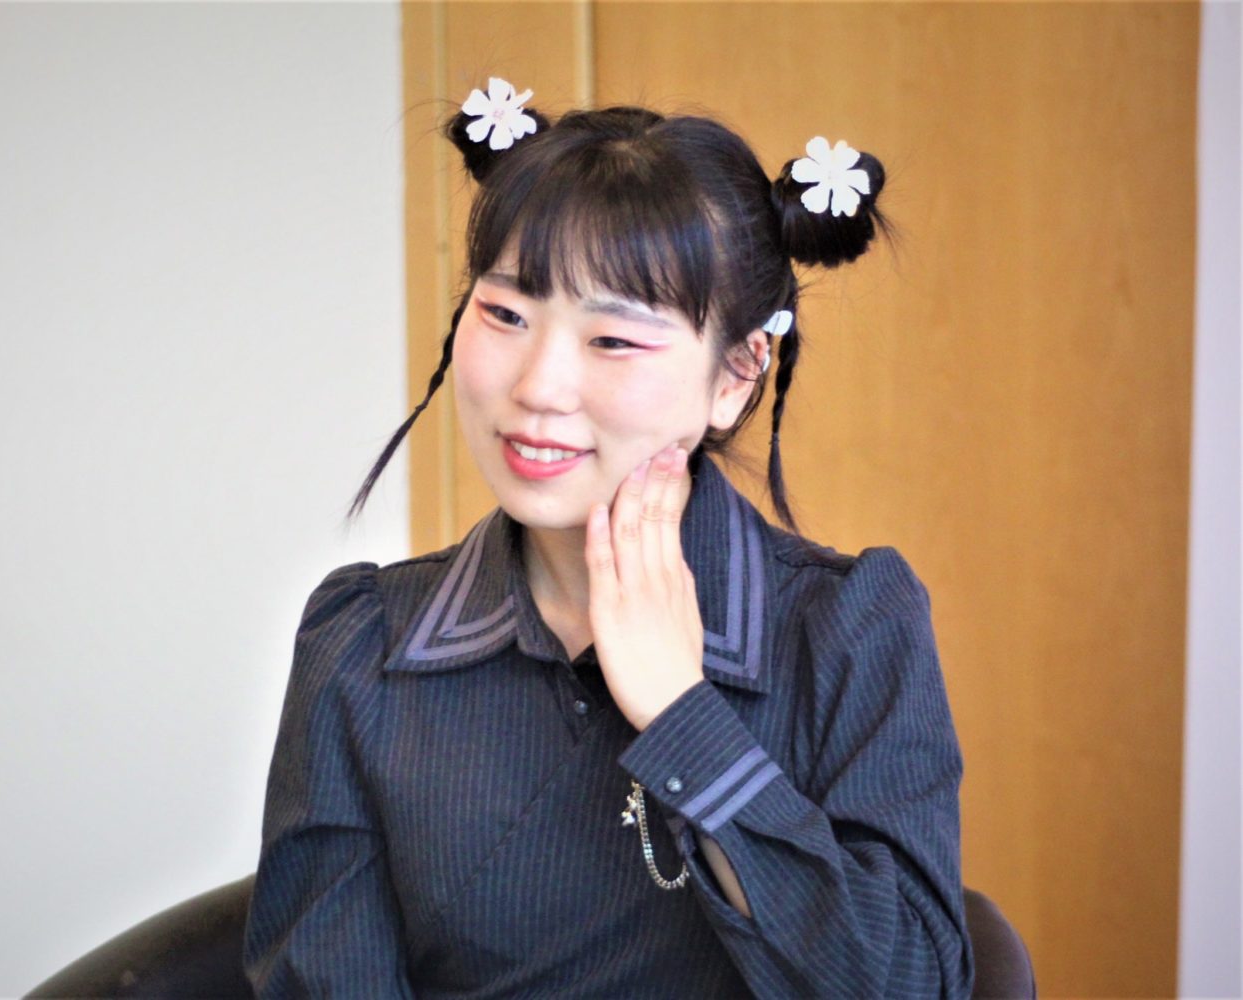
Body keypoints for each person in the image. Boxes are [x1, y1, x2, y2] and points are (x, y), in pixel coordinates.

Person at [242, 77, 976, 998]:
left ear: (736, 375)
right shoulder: (362, 645)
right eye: (505, 315)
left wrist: (683, 716)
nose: (538, 387)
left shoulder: (847, 628)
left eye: (614, 341)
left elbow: (912, 983)